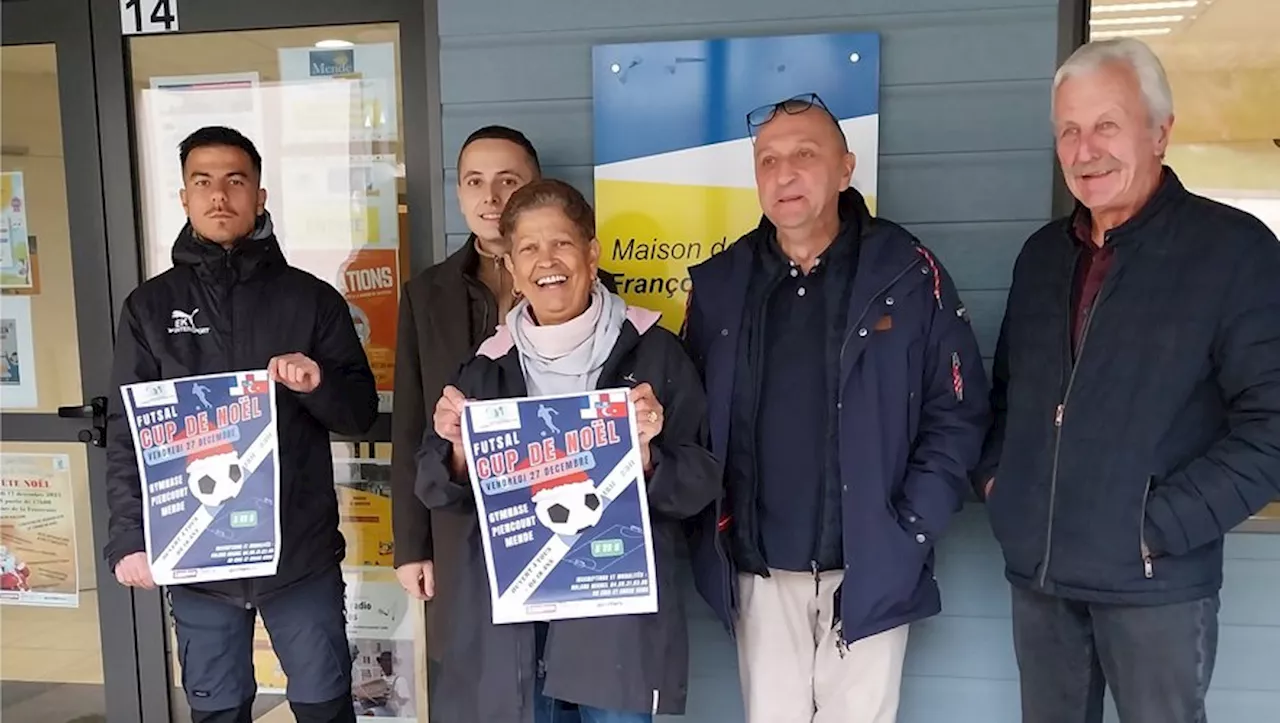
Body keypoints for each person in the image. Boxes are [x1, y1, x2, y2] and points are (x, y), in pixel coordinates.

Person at [977, 37, 1280, 723]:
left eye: (1107, 125)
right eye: (1069, 131)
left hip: (1157, 585)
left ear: (1160, 131)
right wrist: (1006, 489)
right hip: (1043, 580)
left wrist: (1155, 527)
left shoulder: (1232, 252)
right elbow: (1008, 398)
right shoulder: (1041, 258)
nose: (1087, 151)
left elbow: (1272, 427)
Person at [683, 92, 990, 723]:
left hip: (874, 563)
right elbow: (688, 418)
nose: (784, 173)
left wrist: (909, 532)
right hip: (760, 571)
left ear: (847, 168)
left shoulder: (908, 273)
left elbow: (956, 414)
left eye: (804, 154)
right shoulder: (720, 284)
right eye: (767, 160)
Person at [416, 178, 718, 723]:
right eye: (528, 247)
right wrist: (458, 450)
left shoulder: (654, 353)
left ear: (592, 253)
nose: (546, 261)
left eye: (561, 243)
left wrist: (647, 456)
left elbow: (700, 483)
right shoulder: (486, 365)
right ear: (510, 266)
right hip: (516, 631)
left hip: (617, 635)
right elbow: (434, 486)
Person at [105, 126, 379, 723]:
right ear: (184, 197)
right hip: (198, 559)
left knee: (323, 706)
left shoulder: (312, 300)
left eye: (235, 180)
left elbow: (358, 411)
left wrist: (317, 382)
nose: (219, 195)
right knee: (218, 710)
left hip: (297, 556)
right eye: (202, 181)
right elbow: (128, 431)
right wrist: (130, 536)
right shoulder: (150, 308)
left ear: (260, 195)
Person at [391, 126, 615, 606]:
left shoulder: (592, 286)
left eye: (507, 181)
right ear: (458, 193)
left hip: (569, 516)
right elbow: (410, 425)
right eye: (474, 181)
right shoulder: (425, 294)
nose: (490, 197)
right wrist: (411, 546)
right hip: (460, 525)